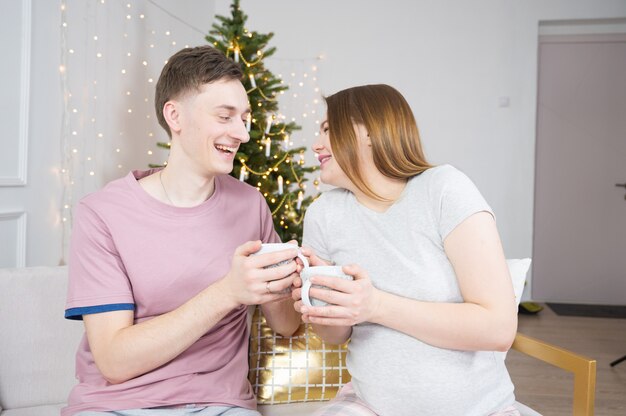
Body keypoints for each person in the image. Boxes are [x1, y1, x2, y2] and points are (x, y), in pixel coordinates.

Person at [63, 46, 301, 416]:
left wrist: (288, 284)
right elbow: (113, 361)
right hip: (115, 407)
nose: (242, 134)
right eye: (225, 117)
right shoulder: (101, 214)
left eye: (245, 118)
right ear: (174, 115)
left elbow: (285, 326)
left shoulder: (250, 204)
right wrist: (228, 292)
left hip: (221, 406)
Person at [292, 84, 520, 416]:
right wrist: (319, 303)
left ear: (368, 131)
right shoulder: (324, 213)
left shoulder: (444, 189)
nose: (316, 143)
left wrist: (375, 305)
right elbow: (335, 336)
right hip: (369, 405)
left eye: (328, 129)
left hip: (478, 409)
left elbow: (498, 329)